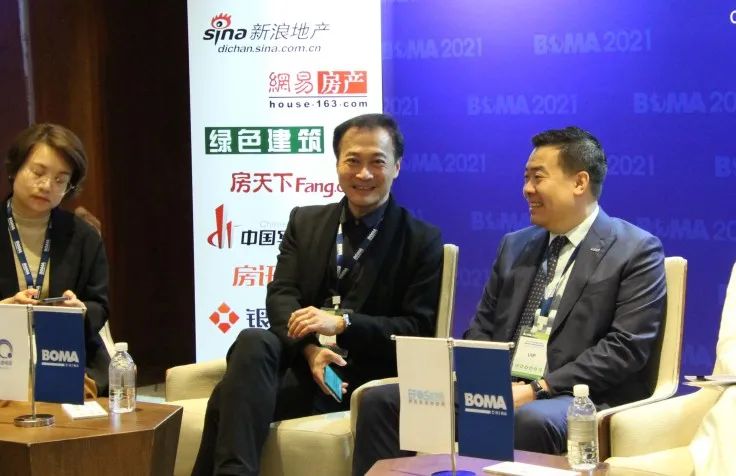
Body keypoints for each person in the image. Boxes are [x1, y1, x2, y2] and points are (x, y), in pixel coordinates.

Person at [352, 126, 667, 474]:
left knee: (529, 419)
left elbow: (625, 348)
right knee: (383, 402)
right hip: (502, 388)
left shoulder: (634, 250)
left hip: (575, 395)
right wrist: (481, 383)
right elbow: (483, 326)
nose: (527, 189)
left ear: (579, 182)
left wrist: (538, 388)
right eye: (525, 177)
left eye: (538, 178)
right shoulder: (515, 245)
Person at [192, 113, 443, 476]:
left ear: (397, 167)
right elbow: (281, 295)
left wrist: (343, 324)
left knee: (227, 396)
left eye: (377, 162)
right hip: (301, 361)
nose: (364, 174)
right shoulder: (305, 221)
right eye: (352, 161)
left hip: (356, 379)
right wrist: (310, 350)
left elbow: (417, 328)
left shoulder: (420, 239)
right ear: (337, 164)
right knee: (253, 341)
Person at [0, 123, 110, 395]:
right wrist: (4, 311)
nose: (47, 185)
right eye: (38, 173)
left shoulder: (84, 236)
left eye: (61, 180)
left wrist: (79, 310)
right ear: (14, 169)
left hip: (66, 358)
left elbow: (99, 305)